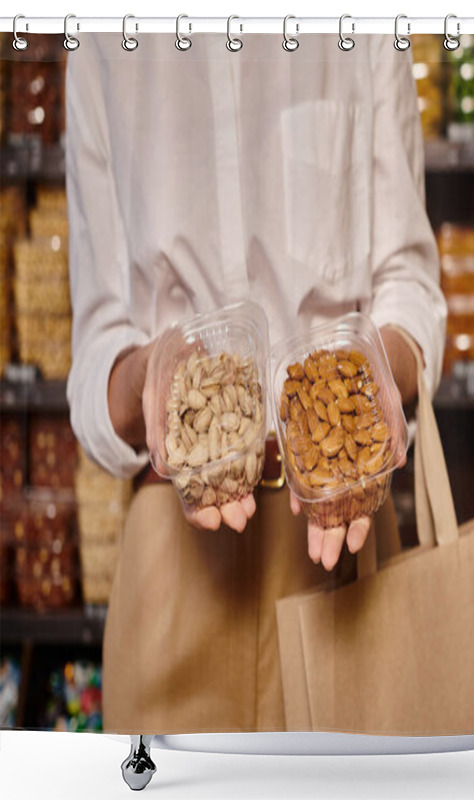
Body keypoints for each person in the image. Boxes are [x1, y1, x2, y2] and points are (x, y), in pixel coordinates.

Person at [65, 32, 446, 733]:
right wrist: (150, 380)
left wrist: (367, 385)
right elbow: (95, 355)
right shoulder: (100, 38)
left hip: (343, 533)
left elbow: (411, 287)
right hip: (175, 564)